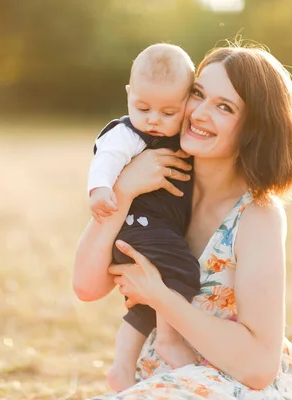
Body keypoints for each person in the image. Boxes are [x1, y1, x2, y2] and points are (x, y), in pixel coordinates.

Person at [74, 42, 292, 399]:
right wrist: (123, 191)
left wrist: (159, 295)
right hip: (164, 380)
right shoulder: (149, 182)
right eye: (198, 93)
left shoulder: (257, 216)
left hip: (232, 384)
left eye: (224, 107)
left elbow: (259, 367)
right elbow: (86, 287)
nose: (200, 113)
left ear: (254, 129)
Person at [87, 43, 202, 392]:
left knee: (147, 304)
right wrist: (100, 189)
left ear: (187, 102)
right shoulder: (128, 133)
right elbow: (106, 158)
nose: (154, 120)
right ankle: (169, 341)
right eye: (143, 107)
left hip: (153, 230)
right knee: (182, 271)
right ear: (129, 94)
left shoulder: (183, 137)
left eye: (169, 112)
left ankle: (121, 367)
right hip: (140, 229)